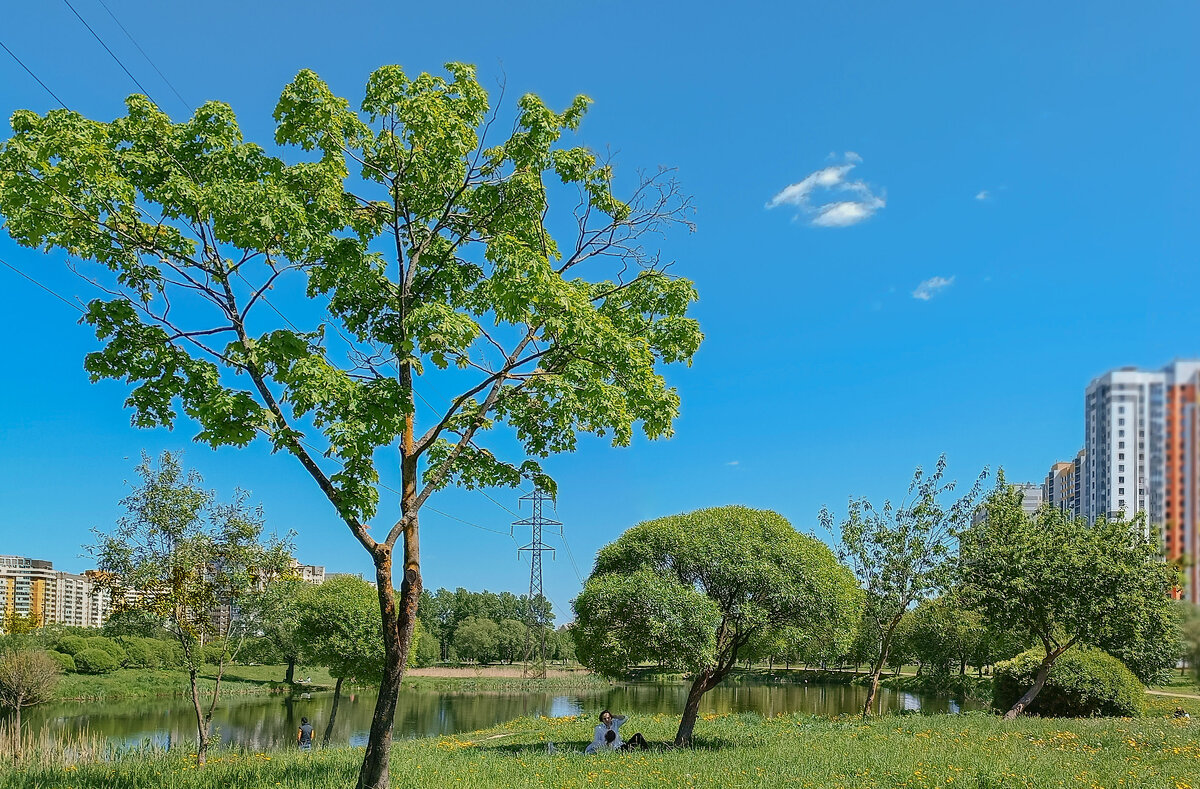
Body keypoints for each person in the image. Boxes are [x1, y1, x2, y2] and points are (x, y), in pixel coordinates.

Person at [585, 709, 649, 753]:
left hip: (621, 746)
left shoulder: (615, 723)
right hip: (612, 750)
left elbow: (625, 718)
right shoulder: (598, 728)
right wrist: (606, 743)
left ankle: (646, 751)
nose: (607, 720)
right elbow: (596, 742)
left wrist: (614, 716)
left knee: (638, 735)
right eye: (604, 719)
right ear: (602, 720)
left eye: (608, 717)